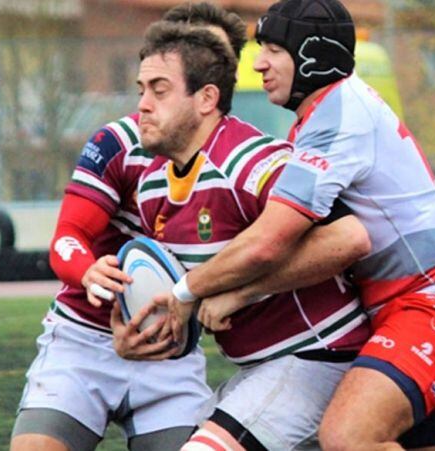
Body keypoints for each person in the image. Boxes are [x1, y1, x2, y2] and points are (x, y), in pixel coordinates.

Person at [157, 1, 435, 450]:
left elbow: (270, 241)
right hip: (417, 308)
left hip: (434, 306)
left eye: (275, 49)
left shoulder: (336, 116)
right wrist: (240, 291)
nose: (260, 63)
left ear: (314, 55)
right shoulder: (324, 115)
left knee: (348, 437)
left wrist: (190, 289)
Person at [115, 20, 372, 451]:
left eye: (159, 91)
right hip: (256, 369)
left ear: (207, 99)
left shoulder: (252, 163)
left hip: (318, 353)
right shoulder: (152, 187)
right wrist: (136, 334)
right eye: (141, 90)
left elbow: (348, 239)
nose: (142, 105)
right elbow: (188, 293)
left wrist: (236, 293)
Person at [10, 4, 248, 451]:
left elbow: (260, 255)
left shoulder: (244, 161)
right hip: (83, 341)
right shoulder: (119, 143)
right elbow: (66, 239)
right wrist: (88, 273)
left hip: (171, 350)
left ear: (214, 86)